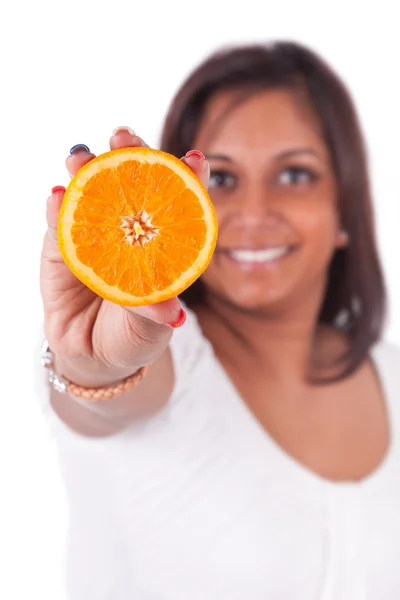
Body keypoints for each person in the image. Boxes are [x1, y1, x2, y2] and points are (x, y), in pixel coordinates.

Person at [38, 41, 400, 599]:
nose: (254, 214)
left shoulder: (391, 374)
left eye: (296, 174)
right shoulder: (172, 357)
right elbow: (104, 397)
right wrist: (94, 365)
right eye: (224, 180)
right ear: (182, 202)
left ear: (345, 209)